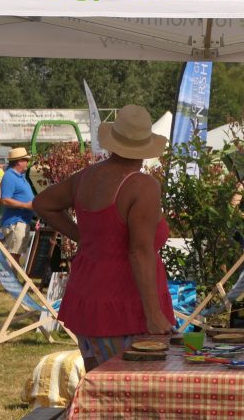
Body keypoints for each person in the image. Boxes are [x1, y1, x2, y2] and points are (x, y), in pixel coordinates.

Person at [32, 105, 175, 370]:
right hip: (126, 303)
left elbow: (42, 203)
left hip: (89, 296)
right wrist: (153, 314)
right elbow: (140, 252)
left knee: (100, 393)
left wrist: (82, 235)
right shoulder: (143, 186)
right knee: (135, 397)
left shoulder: (86, 177)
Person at [0, 147, 35, 260]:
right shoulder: (9, 176)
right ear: (19, 161)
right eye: (26, 160)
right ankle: (8, 278)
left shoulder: (20, 177)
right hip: (15, 222)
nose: (27, 163)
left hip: (22, 221)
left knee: (16, 255)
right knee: (13, 256)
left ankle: (11, 277)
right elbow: (5, 200)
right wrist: (26, 205)